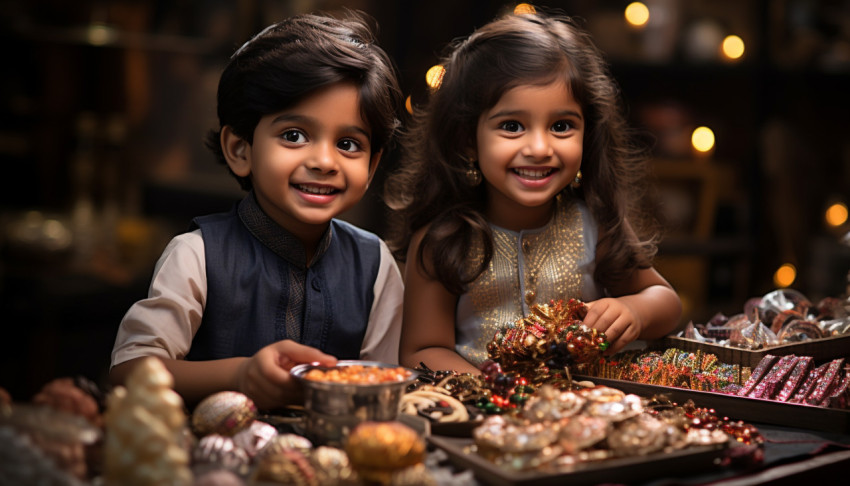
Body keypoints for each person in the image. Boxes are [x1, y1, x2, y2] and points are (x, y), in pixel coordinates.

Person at [110, 12, 405, 409]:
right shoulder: (197, 254)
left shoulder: (375, 264)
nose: (324, 160)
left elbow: (380, 386)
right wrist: (239, 376)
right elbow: (130, 371)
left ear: (371, 166)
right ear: (240, 150)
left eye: (349, 144)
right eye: (294, 135)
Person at [385, 10, 682, 375]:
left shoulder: (594, 224)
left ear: (587, 135)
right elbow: (422, 349)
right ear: (466, 139)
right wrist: (492, 392)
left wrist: (635, 311)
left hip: (584, 416)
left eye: (561, 126)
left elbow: (667, 302)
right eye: (512, 126)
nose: (540, 148)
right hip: (482, 418)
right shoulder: (443, 240)